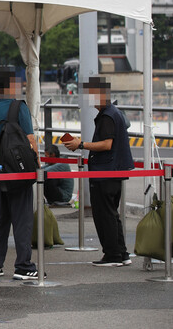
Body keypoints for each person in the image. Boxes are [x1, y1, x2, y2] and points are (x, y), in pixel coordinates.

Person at [64, 76, 134, 267]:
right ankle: (122, 253)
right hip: (114, 171)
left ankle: (112, 255)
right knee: (112, 213)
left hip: (105, 171)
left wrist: (81, 144)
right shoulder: (114, 112)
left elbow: (106, 144)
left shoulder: (107, 116)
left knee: (104, 214)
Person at [0, 68, 40, 280]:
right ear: (11, 85)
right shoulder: (19, 108)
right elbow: (30, 141)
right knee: (22, 220)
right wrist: (37, 165)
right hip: (18, 176)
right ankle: (24, 266)